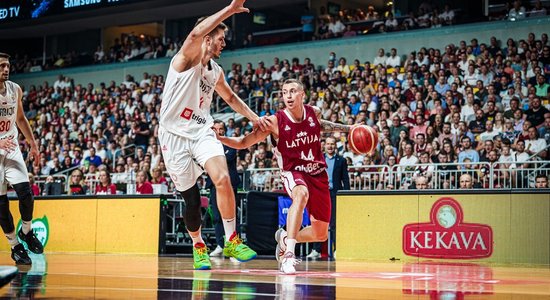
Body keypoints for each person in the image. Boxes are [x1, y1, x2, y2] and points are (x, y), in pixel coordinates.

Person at [158, 0, 265, 270]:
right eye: (220, 38)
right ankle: (198, 244)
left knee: (222, 178)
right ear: (207, 39)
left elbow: (229, 97)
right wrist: (230, 9)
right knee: (192, 200)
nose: (224, 44)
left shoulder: (215, 71)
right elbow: (194, 34)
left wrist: (255, 118)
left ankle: (230, 238)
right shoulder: (183, 61)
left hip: (201, 130)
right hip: (173, 135)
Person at [217, 79, 352, 274]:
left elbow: (321, 125)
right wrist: (221, 138)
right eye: (285, 92)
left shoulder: (314, 112)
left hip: (318, 174)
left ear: (302, 95)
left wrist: (349, 129)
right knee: (301, 194)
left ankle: (284, 236)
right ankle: (289, 254)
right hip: (293, 171)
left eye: (293, 91)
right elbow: (243, 143)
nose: (288, 96)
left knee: (320, 234)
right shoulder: (274, 121)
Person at [0, 52, 44, 264]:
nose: (6, 69)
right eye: (1, 66)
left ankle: (27, 231)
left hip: (12, 148)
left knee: (26, 193)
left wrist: (33, 145)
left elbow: (20, 118)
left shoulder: (15, 89)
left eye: (7, 65)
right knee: (1, 205)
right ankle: (15, 246)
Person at [307, 136, 349, 259]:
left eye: (332, 144)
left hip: (334, 194)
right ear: (324, 146)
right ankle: (316, 250)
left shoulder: (341, 161)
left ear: (335, 146)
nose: (330, 146)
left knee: (335, 223)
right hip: (321, 194)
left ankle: (337, 250)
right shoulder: (318, 160)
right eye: (328, 144)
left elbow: (345, 179)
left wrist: (346, 195)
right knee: (319, 222)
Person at [208, 120, 240, 257]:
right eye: (215, 129)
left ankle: (235, 245)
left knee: (231, 216)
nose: (218, 131)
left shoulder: (230, 142)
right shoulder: (207, 145)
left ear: (224, 130)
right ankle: (220, 244)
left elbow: (228, 157)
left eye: (220, 129)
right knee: (216, 216)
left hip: (229, 184)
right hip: (214, 184)